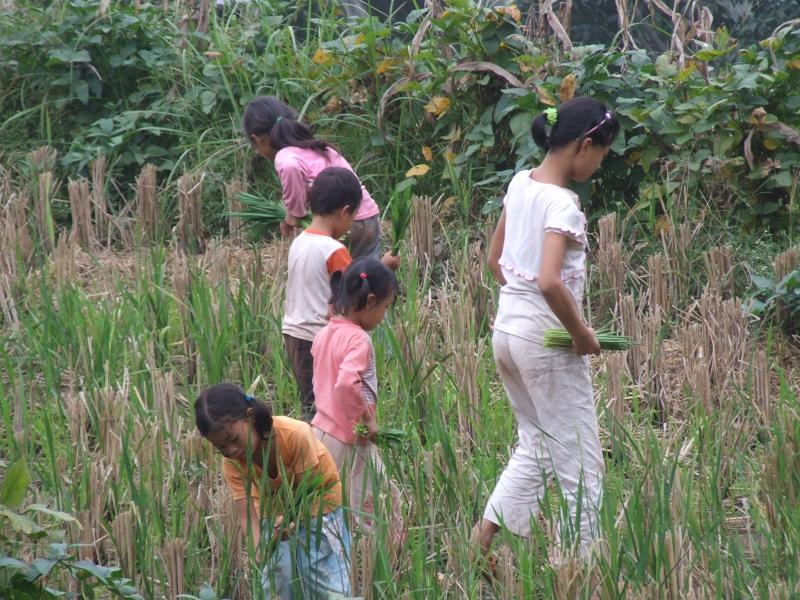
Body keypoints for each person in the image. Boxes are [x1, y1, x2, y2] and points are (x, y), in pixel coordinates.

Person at [474, 97, 620, 565]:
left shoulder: (520, 183)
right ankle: (573, 574)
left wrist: (522, 309)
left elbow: (496, 261)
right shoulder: (563, 203)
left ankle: (479, 546)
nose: (600, 163)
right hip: (545, 340)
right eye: (601, 153)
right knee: (583, 465)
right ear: (583, 144)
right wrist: (580, 335)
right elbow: (550, 280)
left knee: (536, 446)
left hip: (508, 332)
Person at [194, 382, 352, 599]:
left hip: (318, 504)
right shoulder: (233, 463)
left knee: (317, 572)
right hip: (276, 511)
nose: (231, 450)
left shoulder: (295, 435)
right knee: (279, 575)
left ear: (249, 416)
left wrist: (291, 521)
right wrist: (258, 545)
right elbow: (247, 514)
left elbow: (307, 492)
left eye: (233, 440)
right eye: (221, 448)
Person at [283, 167, 399, 421]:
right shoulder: (333, 250)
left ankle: (315, 448)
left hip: (293, 333)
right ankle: (323, 453)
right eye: (353, 216)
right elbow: (355, 290)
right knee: (328, 408)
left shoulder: (299, 241)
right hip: (318, 336)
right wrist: (385, 267)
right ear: (346, 212)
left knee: (311, 404)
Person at [310, 258, 404, 549]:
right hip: (350, 440)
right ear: (371, 301)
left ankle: (340, 559)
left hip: (320, 434)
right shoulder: (359, 339)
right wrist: (367, 419)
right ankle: (378, 562)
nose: (383, 317)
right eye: (385, 309)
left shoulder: (326, 332)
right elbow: (346, 383)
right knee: (381, 503)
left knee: (332, 504)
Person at [243, 95, 383, 260]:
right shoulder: (317, 147)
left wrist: (294, 214)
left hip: (343, 224)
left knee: (335, 280)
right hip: (368, 216)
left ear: (256, 139)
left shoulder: (285, 156)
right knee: (367, 277)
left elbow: (290, 167)